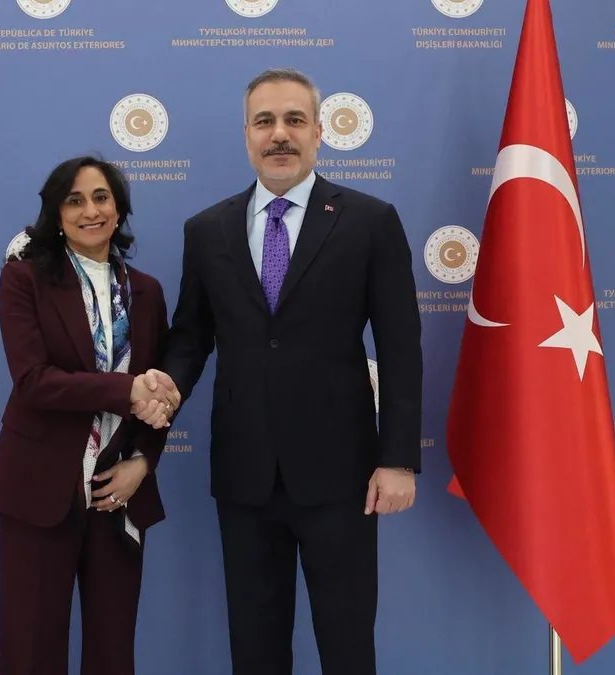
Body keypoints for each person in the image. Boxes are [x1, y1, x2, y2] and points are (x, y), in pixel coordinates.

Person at [135, 68, 424, 674]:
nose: (279, 134)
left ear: (319, 132)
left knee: (348, 648)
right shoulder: (207, 229)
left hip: (342, 477)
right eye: (264, 121)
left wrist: (398, 458)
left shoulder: (370, 221)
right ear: (246, 135)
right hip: (245, 476)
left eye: (294, 119)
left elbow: (400, 347)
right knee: (255, 650)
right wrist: (169, 385)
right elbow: (192, 335)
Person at [0, 155, 179, 675]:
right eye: (74, 200)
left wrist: (144, 463)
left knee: (113, 649)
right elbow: (33, 381)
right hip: (40, 486)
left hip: (119, 490)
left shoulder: (146, 291)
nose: (90, 211)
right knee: (30, 648)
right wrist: (127, 389)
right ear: (56, 213)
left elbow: (160, 396)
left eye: (101, 197)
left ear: (119, 208)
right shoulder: (23, 279)